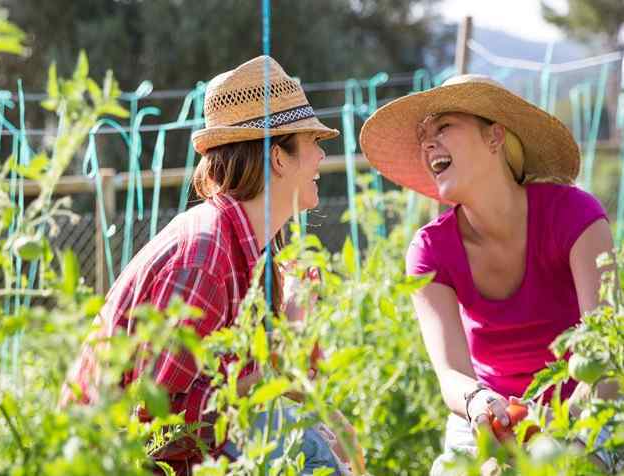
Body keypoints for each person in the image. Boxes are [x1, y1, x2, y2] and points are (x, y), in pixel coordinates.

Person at [60, 55, 349, 475]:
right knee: (297, 443)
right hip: (109, 463)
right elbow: (154, 423)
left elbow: (265, 390)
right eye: (312, 142)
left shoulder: (257, 253)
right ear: (278, 157)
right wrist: (267, 390)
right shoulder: (206, 257)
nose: (322, 155)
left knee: (308, 440)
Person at [359, 74, 619, 474]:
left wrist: (556, 433)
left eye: (444, 126)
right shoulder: (430, 250)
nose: (428, 143)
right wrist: (478, 403)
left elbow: (606, 356)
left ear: (495, 137)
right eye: (424, 136)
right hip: (488, 415)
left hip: (583, 407)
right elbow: (451, 374)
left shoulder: (574, 217)